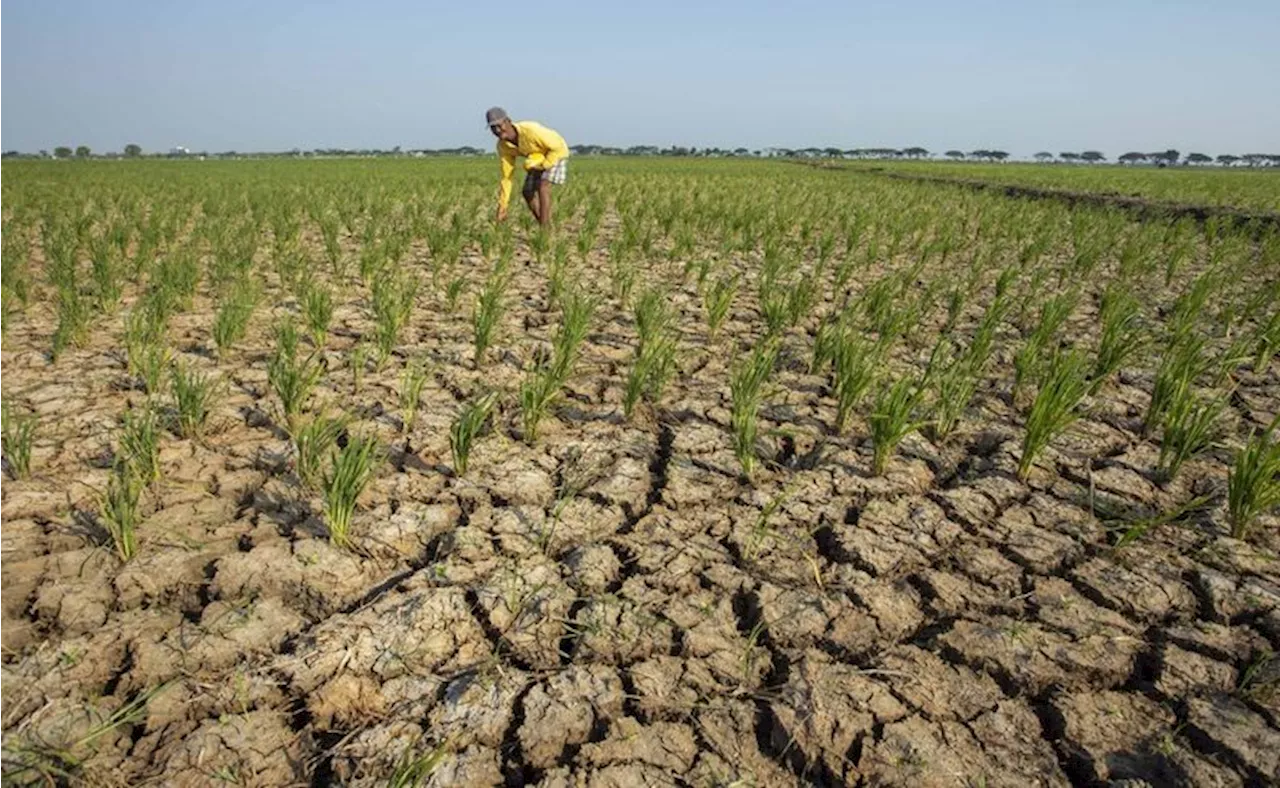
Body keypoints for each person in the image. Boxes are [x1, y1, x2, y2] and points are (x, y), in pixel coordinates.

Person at [486, 107, 569, 227]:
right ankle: (544, 224)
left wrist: (544, 166)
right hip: (536, 157)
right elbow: (507, 177)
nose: (497, 130)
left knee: (543, 185)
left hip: (555, 153)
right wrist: (503, 206)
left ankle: (544, 230)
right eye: (493, 128)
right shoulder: (503, 146)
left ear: (508, 121)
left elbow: (556, 147)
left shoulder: (530, 130)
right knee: (527, 192)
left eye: (499, 125)